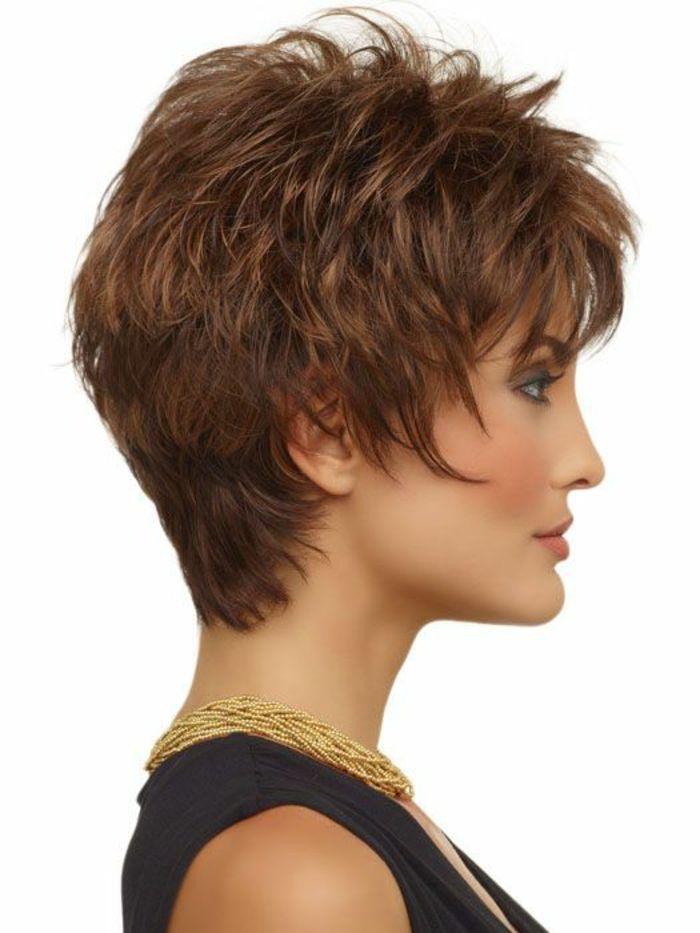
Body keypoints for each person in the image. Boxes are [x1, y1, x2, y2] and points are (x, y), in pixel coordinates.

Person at [67, 7, 640, 932]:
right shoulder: (295, 878)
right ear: (327, 429)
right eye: (534, 383)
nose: (586, 461)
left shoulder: (336, 822)